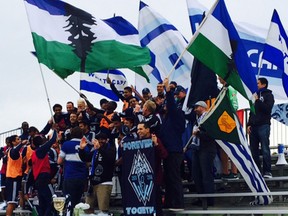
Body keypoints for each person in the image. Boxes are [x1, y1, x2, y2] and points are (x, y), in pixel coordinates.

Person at [158, 78, 185, 210]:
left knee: (174, 178)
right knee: (168, 179)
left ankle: (178, 203)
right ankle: (169, 203)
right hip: (167, 152)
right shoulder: (166, 119)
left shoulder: (177, 115)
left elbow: (172, 107)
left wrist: (168, 91)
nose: (164, 106)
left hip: (174, 151)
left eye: (166, 104)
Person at [78, 132, 116, 216]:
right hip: (92, 183)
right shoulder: (95, 150)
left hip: (104, 182)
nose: (100, 141)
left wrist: (99, 149)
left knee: (103, 210)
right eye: (98, 139)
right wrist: (81, 149)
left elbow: (110, 159)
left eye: (103, 139)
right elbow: (85, 158)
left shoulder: (111, 148)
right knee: (87, 209)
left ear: (107, 140)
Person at [137, 122, 168, 216]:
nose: (138, 131)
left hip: (154, 180)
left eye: (141, 129)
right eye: (138, 129)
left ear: (147, 129)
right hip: (141, 180)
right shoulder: (136, 142)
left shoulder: (155, 139)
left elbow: (164, 155)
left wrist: (156, 144)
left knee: (157, 207)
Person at [190, 101, 217, 207]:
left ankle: (209, 200)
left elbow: (212, 134)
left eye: (197, 107)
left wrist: (199, 133)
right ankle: (201, 198)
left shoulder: (209, 118)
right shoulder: (197, 120)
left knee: (206, 175)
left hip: (207, 149)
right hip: (197, 148)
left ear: (203, 107)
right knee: (196, 174)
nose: (195, 109)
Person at [247, 77, 275, 178]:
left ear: (263, 84)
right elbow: (252, 111)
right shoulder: (254, 95)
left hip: (263, 125)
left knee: (265, 148)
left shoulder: (269, 95)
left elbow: (267, 109)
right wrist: (248, 124)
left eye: (258, 83)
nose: (256, 85)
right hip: (253, 126)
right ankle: (256, 171)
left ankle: (267, 171)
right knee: (254, 150)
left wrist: (258, 101)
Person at [57, 126, 88, 213]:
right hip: (81, 177)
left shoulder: (66, 144)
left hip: (70, 177)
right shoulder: (85, 145)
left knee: (69, 202)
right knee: (77, 203)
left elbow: (59, 161)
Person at [30, 127, 57, 216]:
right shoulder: (41, 150)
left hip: (37, 178)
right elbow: (52, 140)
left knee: (42, 202)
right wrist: (55, 130)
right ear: (41, 142)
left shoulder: (34, 153)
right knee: (51, 200)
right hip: (44, 177)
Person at [218, 77, 239, 179]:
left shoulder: (231, 88)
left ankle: (234, 172)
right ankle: (225, 171)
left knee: (232, 146)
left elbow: (234, 105)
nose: (218, 78)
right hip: (223, 119)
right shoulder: (223, 89)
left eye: (219, 77)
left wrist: (231, 116)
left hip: (229, 119)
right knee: (224, 147)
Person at [5, 135, 27, 216]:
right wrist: (21, 144)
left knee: (14, 202)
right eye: (18, 139)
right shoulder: (13, 151)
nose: (20, 140)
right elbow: (15, 153)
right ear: (13, 142)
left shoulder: (16, 152)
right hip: (12, 178)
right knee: (11, 202)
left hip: (16, 178)